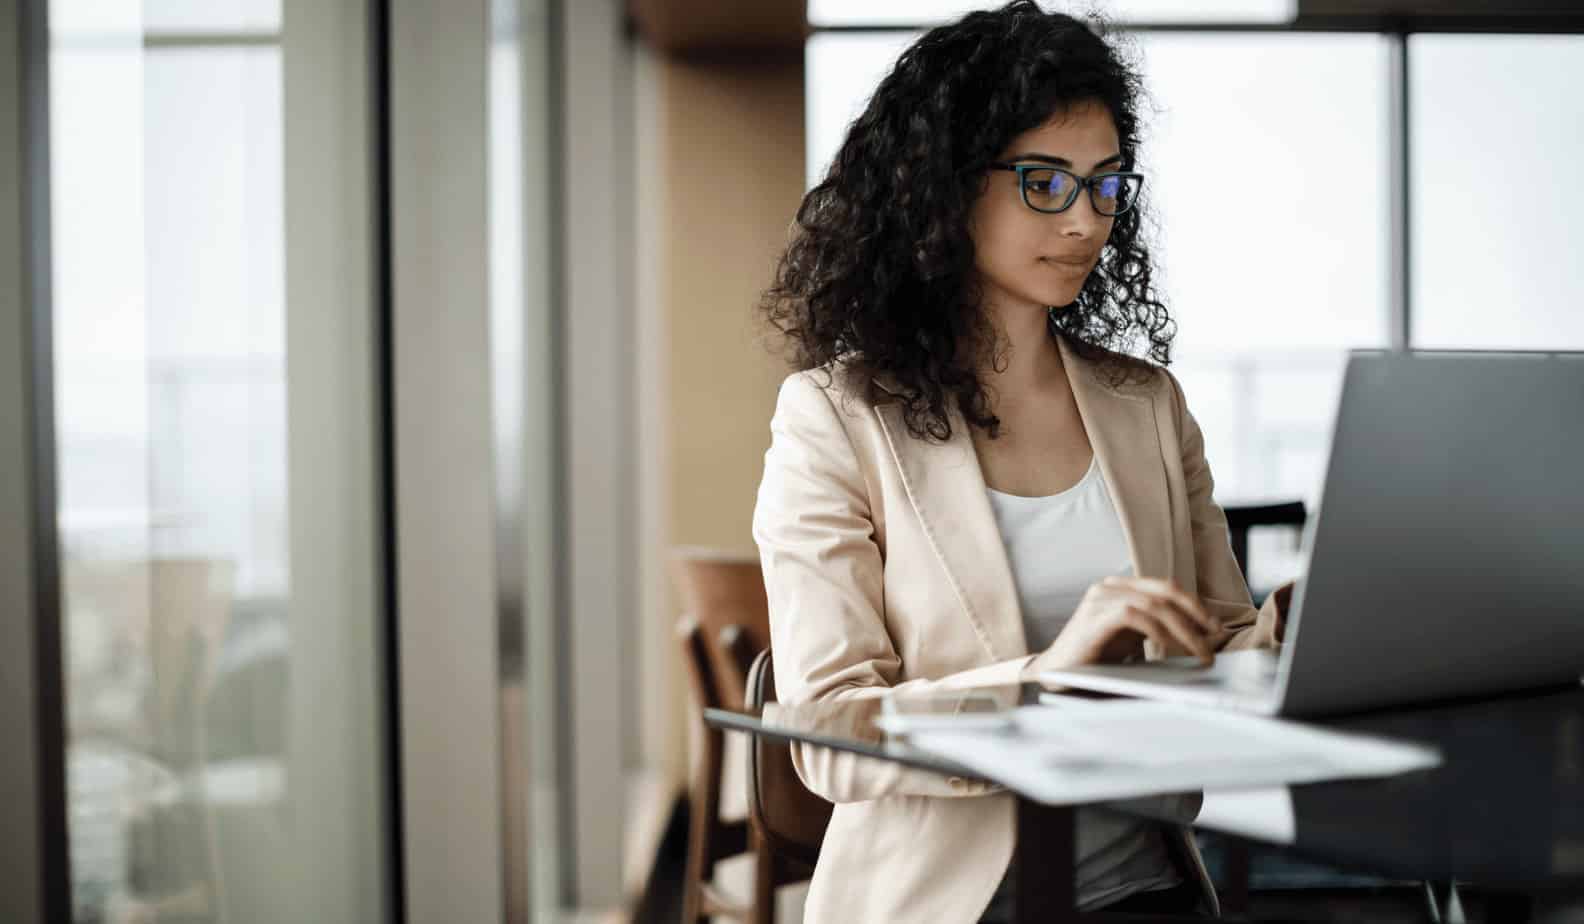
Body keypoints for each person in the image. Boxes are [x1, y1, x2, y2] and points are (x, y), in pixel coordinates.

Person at [752, 3, 1290, 921]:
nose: (1086, 221)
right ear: (944, 187)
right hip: (953, 906)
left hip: (1146, 891)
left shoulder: (1149, 406)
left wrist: (1294, 635)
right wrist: (1048, 674)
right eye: (1046, 182)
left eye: (1106, 184)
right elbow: (829, 736)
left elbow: (1222, 645)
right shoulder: (836, 419)